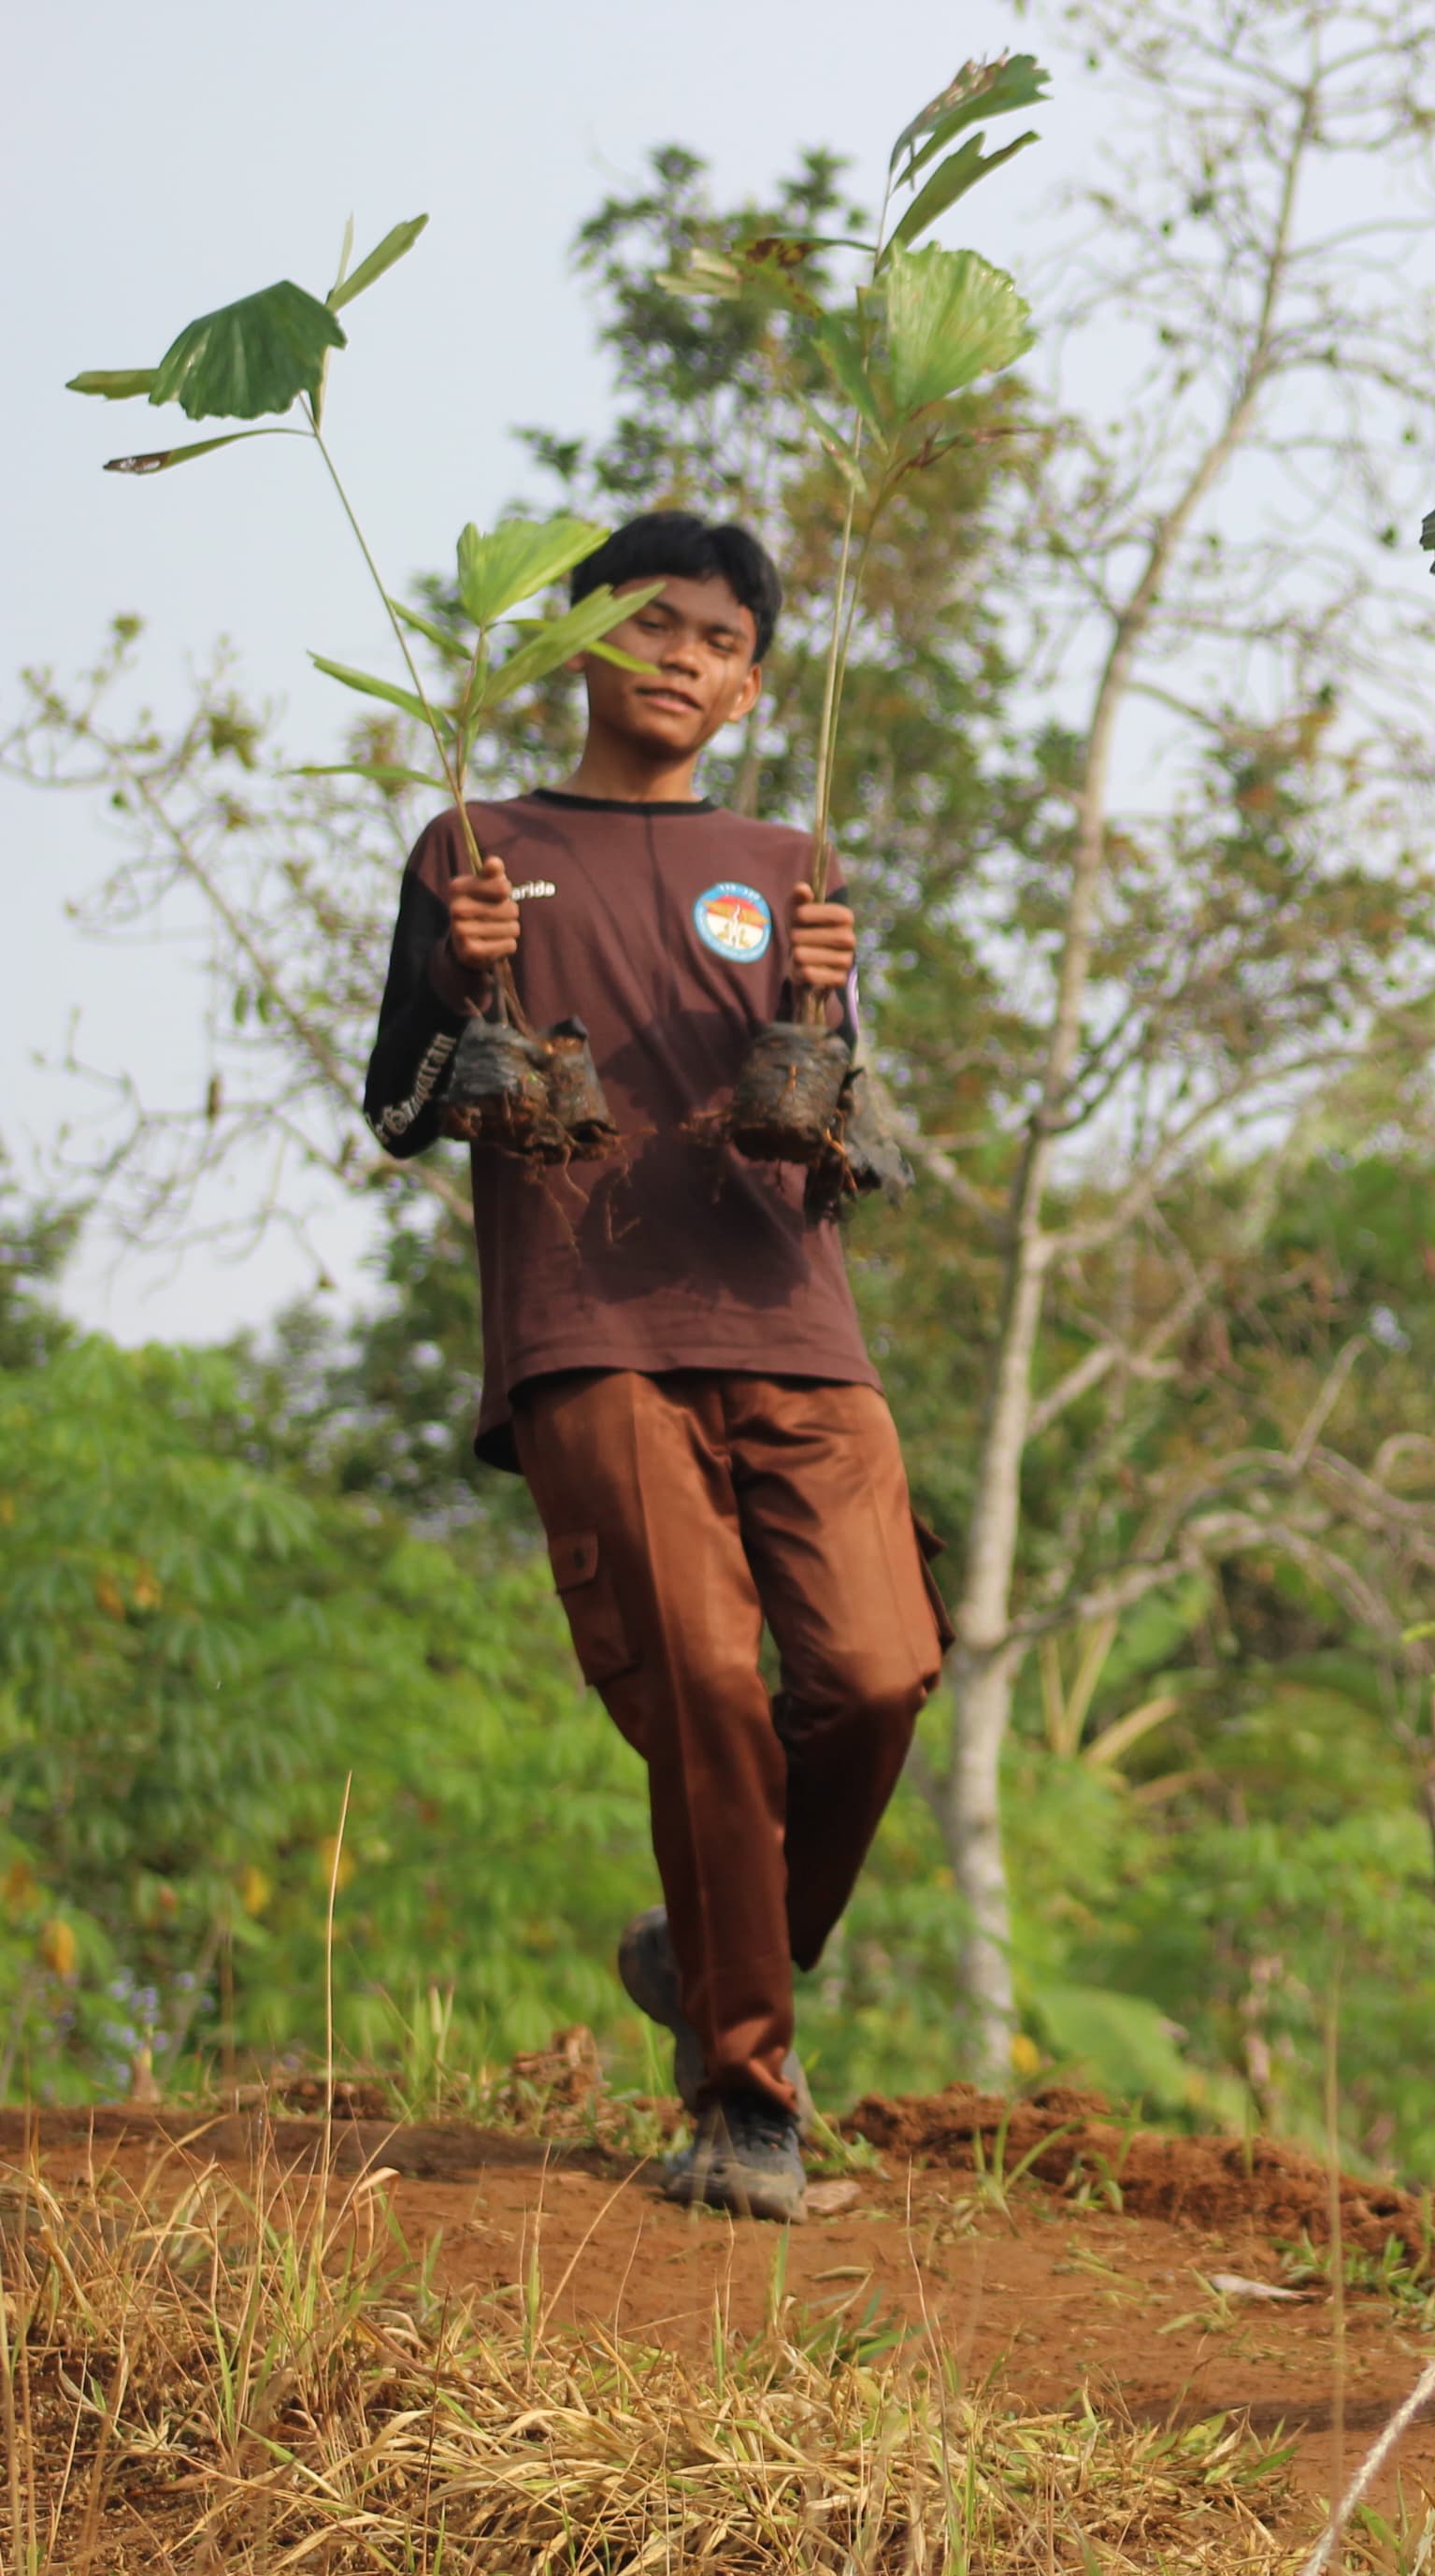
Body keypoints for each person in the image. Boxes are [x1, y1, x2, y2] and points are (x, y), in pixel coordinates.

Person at [361, 511, 946, 2224]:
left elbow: (837, 1136)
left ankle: (706, 1952)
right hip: (591, 1327)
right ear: (580, 640)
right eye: (653, 625)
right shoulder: (479, 842)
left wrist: (835, 1016)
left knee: (882, 1671)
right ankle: (744, 2099)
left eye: (718, 641)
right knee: (696, 1677)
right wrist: (467, 973)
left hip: (795, 1329)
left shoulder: (794, 863)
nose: (684, 657)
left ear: (754, 686)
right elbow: (401, 1112)